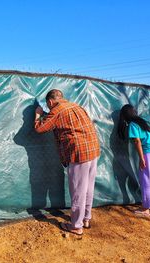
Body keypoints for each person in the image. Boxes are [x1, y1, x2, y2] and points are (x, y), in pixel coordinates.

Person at [34, 89, 100, 235]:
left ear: (50, 102)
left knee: (78, 191)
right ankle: (86, 218)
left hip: (78, 153)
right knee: (88, 187)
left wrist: (38, 114)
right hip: (92, 149)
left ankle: (76, 226)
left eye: (48, 106)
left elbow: (40, 128)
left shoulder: (57, 110)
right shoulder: (76, 106)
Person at [118, 104, 150, 216]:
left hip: (148, 152)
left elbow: (137, 141)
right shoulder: (143, 121)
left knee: (145, 179)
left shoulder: (133, 125)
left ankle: (146, 208)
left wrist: (142, 158)